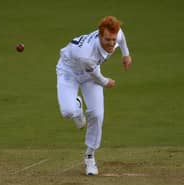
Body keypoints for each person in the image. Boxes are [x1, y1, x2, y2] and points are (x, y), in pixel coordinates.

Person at [56, 16, 132, 176]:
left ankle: (90, 156)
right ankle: (76, 106)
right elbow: (97, 76)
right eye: (107, 40)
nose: (111, 43)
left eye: (113, 39)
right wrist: (106, 82)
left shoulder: (115, 34)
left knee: (97, 115)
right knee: (67, 112)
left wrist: (126, 54)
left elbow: (121, 36)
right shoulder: (86, 54)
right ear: (99, 35)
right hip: (69, 71)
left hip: (89, 74)